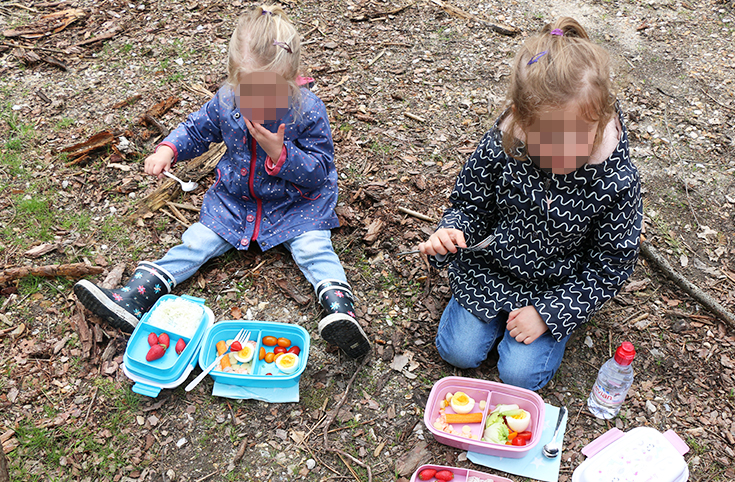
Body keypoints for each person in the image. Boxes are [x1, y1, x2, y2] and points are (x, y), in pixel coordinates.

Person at [74, 5, 370, 358]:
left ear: (290, 79)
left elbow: (320, 170)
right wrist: (169, 149)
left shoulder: (307, 110)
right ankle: (136, 295)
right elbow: (198, 128)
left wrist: (280, 154)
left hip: (297, 203)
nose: (258, 99)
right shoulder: (226, 101)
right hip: (235, 202)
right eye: (248, 89)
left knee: (314, 249)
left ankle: (340, 311)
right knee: (196, 243)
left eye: (269, 90)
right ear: (233, 79)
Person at [418, 17, 642, 390]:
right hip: (490, 269)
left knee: (520, 376)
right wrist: (452, 231)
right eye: (548, 141)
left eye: (576, 139)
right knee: (457, 352)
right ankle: (488, 320)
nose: (563, 155)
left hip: (557, 286)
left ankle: (549, 327)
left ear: (601, 121)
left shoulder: (616, 181)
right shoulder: (503, 146)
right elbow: (471, 205)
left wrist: (549, 314)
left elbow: (610, 267)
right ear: (522, 121)